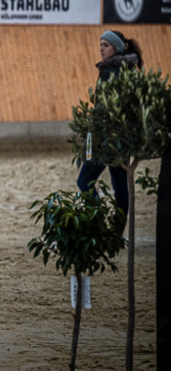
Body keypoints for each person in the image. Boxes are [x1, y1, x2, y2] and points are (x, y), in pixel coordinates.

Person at [76, 29, 143, 233]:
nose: (101, 49)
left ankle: (98, 226)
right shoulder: (129, 68)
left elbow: (105, 108)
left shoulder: (110, 71)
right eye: (100, 45)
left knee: (84, 181)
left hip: (108, 138)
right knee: (120, 185)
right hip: (124, 138)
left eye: (105, 45)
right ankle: (117, 231)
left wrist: (93, 131)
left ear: (117, 48)